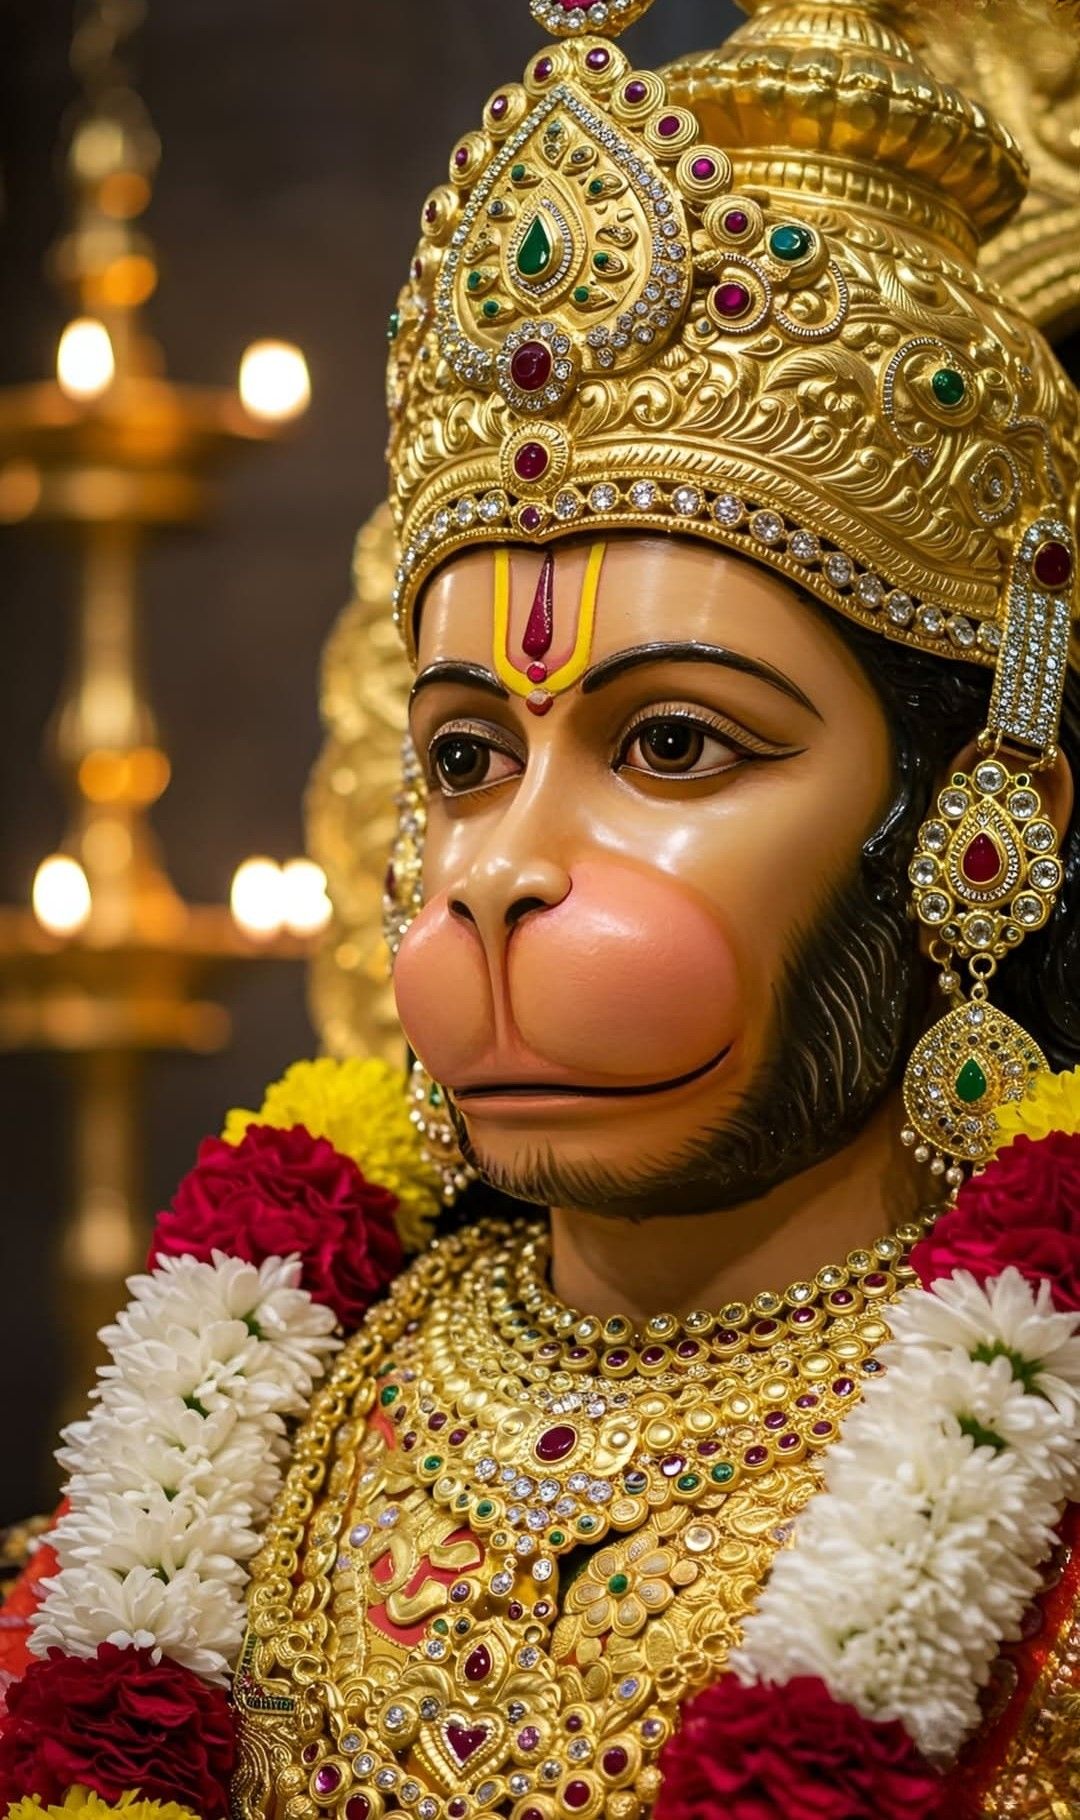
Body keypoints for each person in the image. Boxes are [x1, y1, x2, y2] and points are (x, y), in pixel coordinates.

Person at [1, 1, 1079, 1815]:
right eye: (464, 758)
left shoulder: (1030, 1494)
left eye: (670, 743)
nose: (499, 867)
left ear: (980, 818)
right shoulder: (230, 1451)